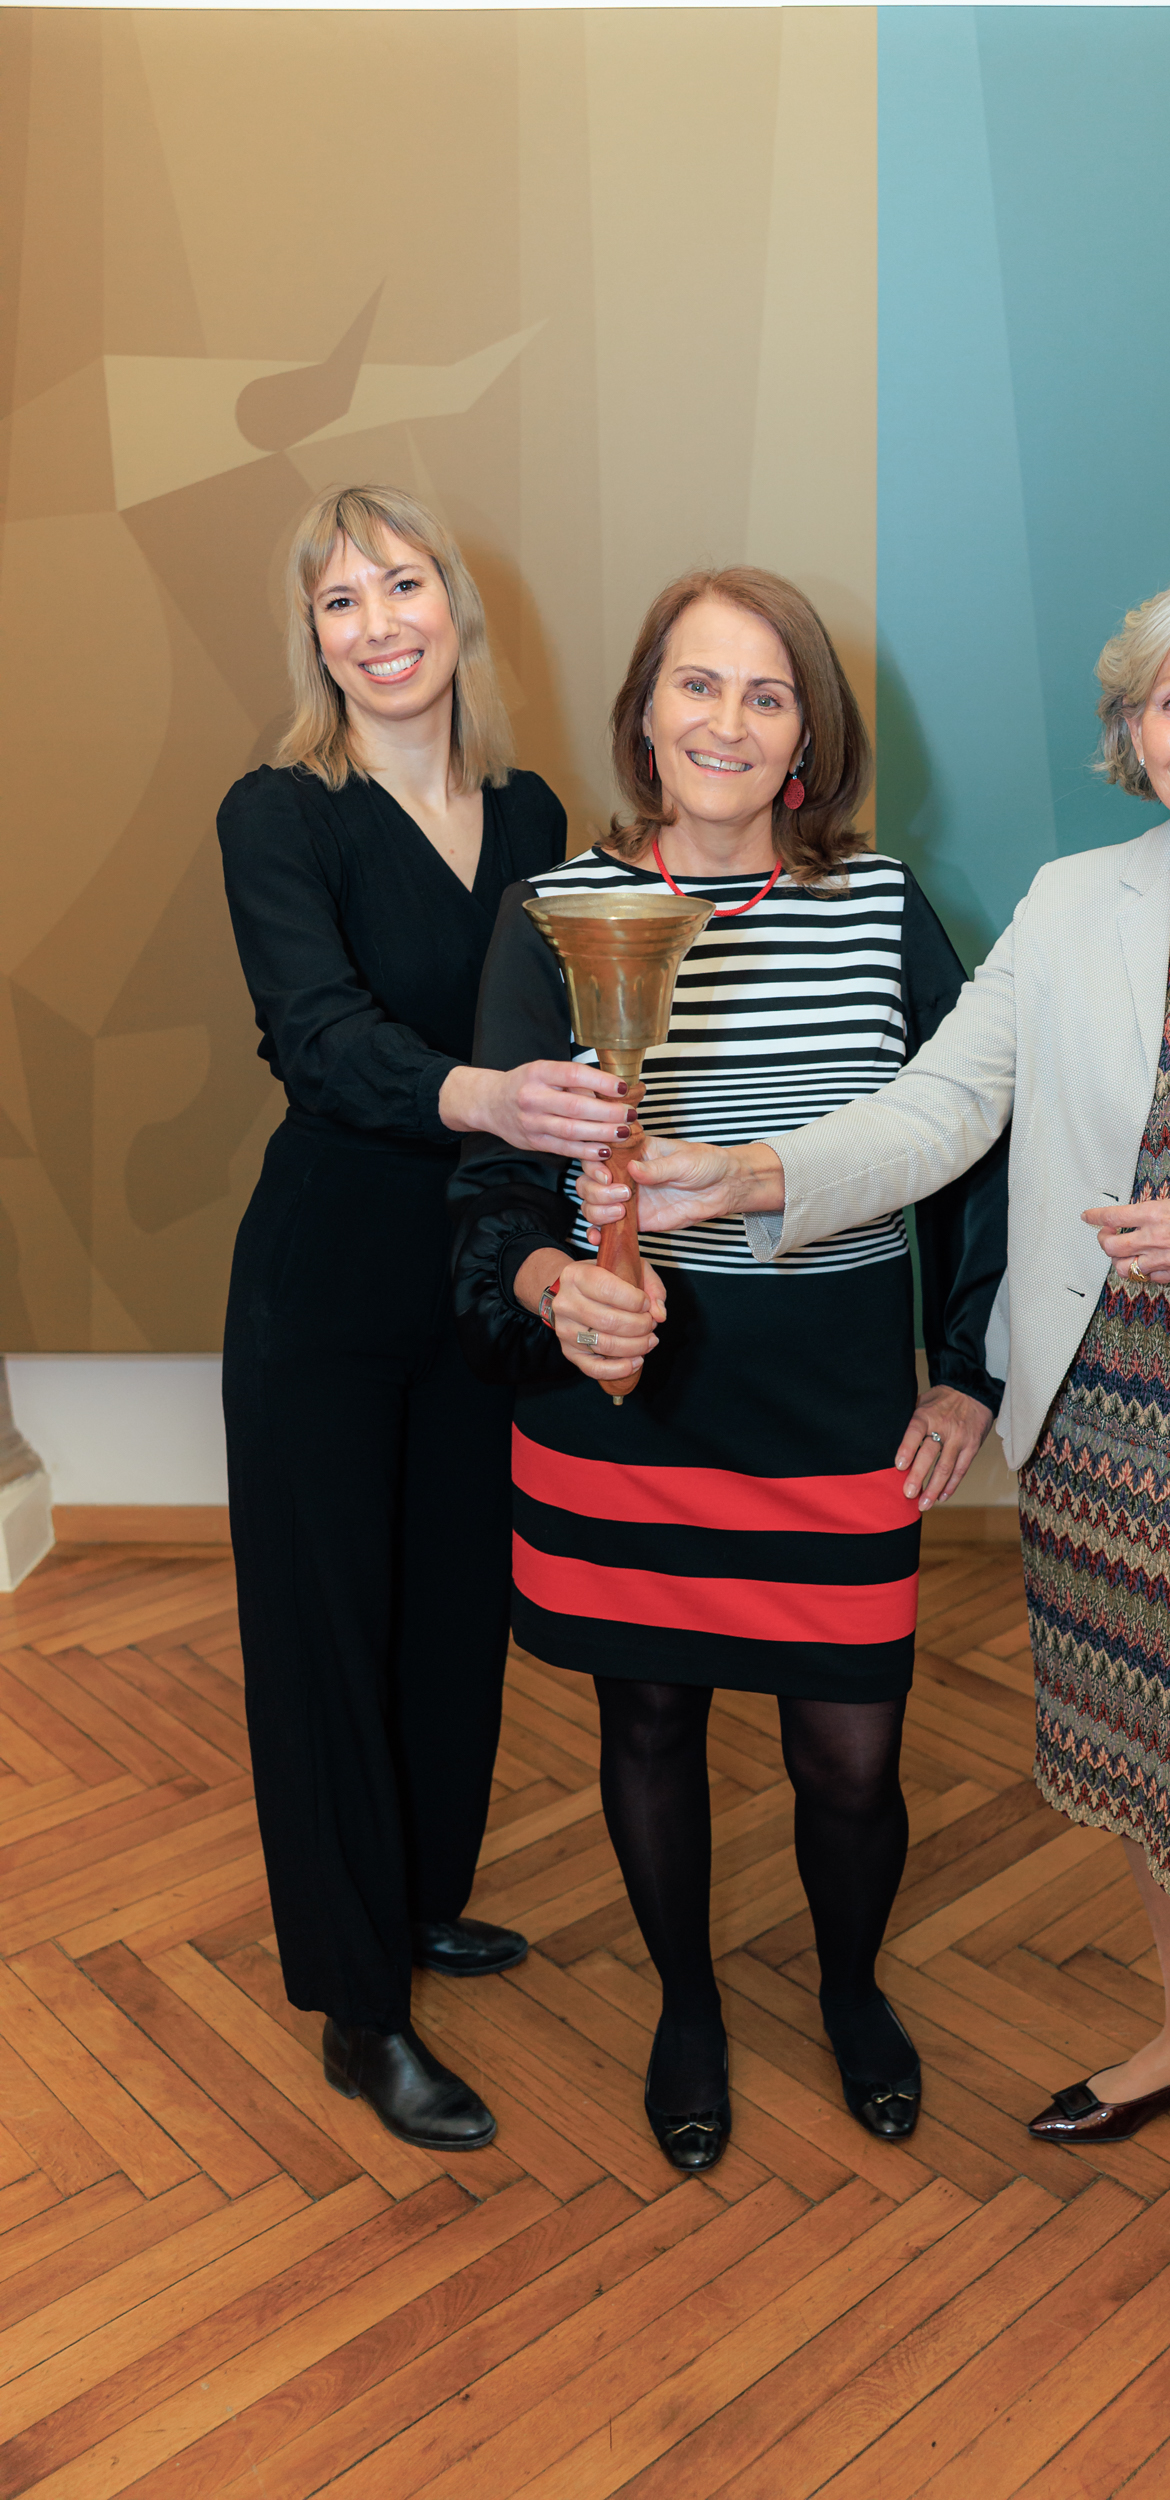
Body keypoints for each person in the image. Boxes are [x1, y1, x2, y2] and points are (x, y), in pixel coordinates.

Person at [577, 559, 1170, 2402]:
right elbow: (940, 1109)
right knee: (1149, 1760)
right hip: (1095, 1431)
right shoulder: (1073, 904)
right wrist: (756, 1179)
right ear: (1131, 731)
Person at [450, 566, 1006, 2170]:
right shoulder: (552, 912)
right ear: (645, 712)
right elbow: (493, 1193)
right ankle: (686, 2006)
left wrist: (963, 1368)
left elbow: (973, 1149)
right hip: (623, 1405)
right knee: (648, 1722)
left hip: (832, 1405)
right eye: (696, 684)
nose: (727, 721)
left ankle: (849, 1987)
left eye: (768, 694)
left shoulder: (882, 907)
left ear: (806, 740)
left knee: (851, 1756)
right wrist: (557, 1289)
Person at [219, 484, 587, 2151]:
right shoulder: (279, 813)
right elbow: (318, 1039)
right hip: (327, 1278)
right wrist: (489, 1098)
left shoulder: (532, 814)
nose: (378, 624)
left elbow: (569, 1032)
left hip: (481, 1270)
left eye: (403, 584)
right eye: (340, 600)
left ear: (457, 606)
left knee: (449, 1610)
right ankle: (359, 2007)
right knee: (325, 1634)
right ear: (313, 637)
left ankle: (420, 1898)